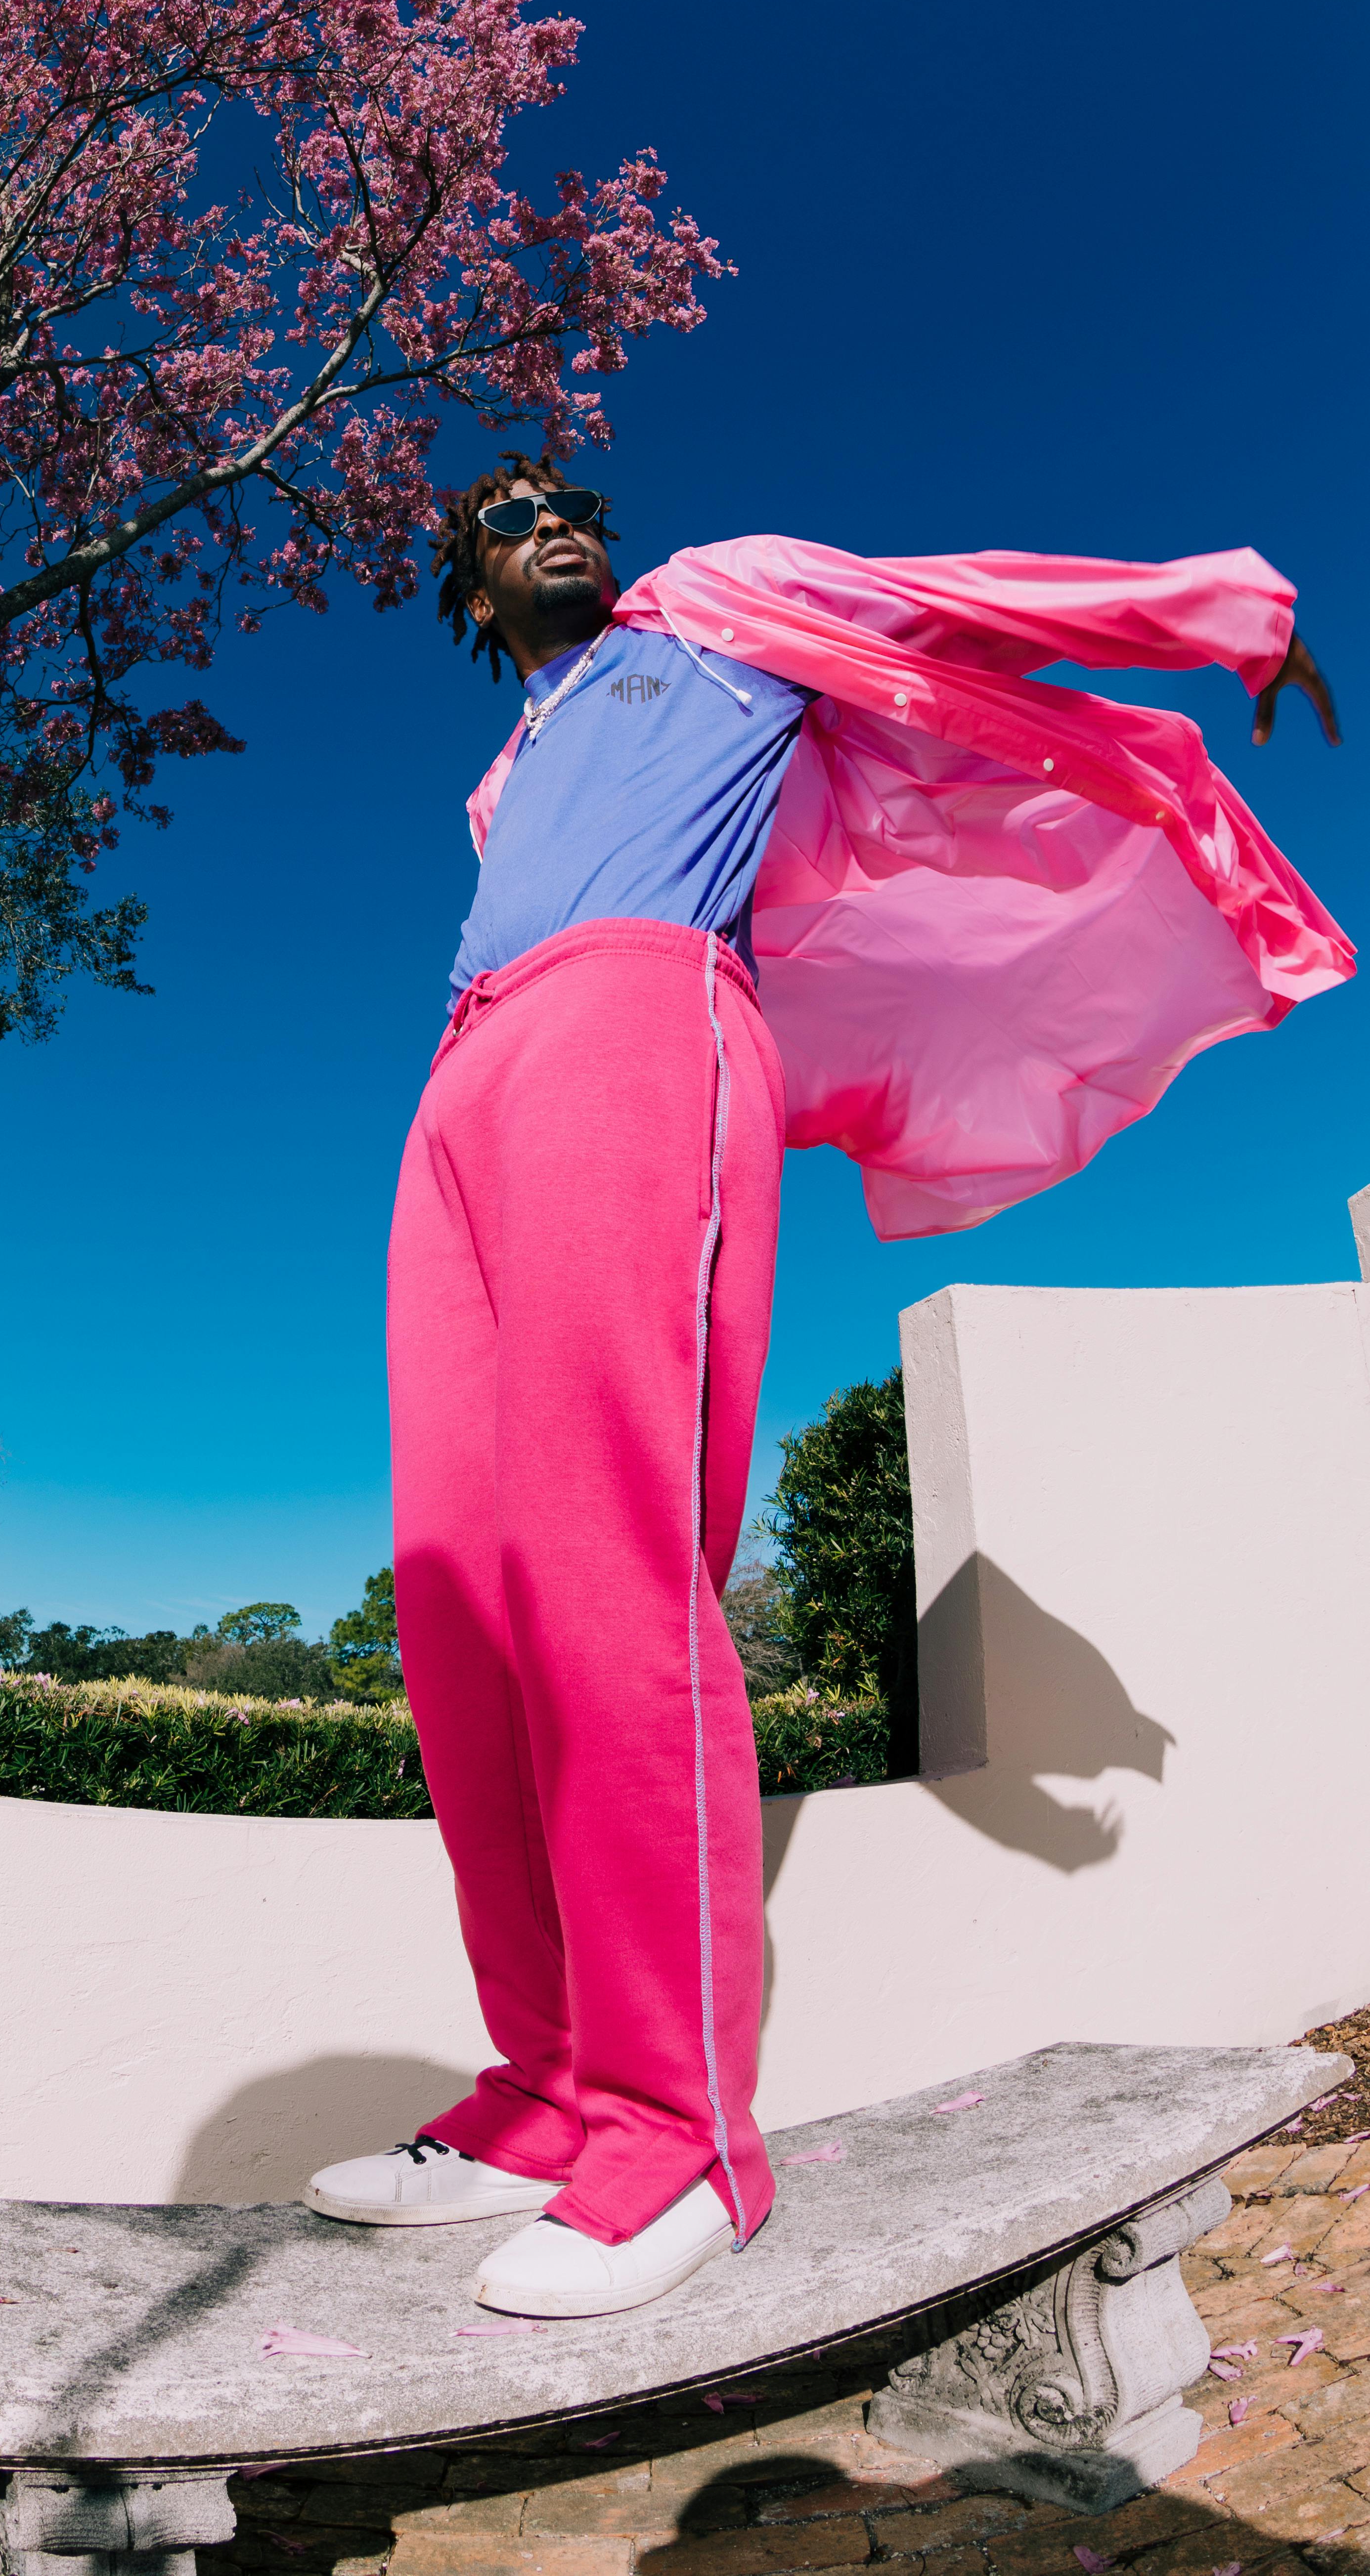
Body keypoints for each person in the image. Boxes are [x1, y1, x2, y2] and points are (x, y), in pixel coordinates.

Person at [305, 458, 1350, 2320]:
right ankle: (544, 2089)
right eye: (498, 512)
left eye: (567, 496)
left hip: (637, 1030)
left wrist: (1216, 615)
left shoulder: (711, 605)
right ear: (465, 595)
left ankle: (674, 2129)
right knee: (462, 1592)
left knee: (612, 1567)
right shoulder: (500, 773)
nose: (548, 517)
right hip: (458, 1082)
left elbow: (952, 598)